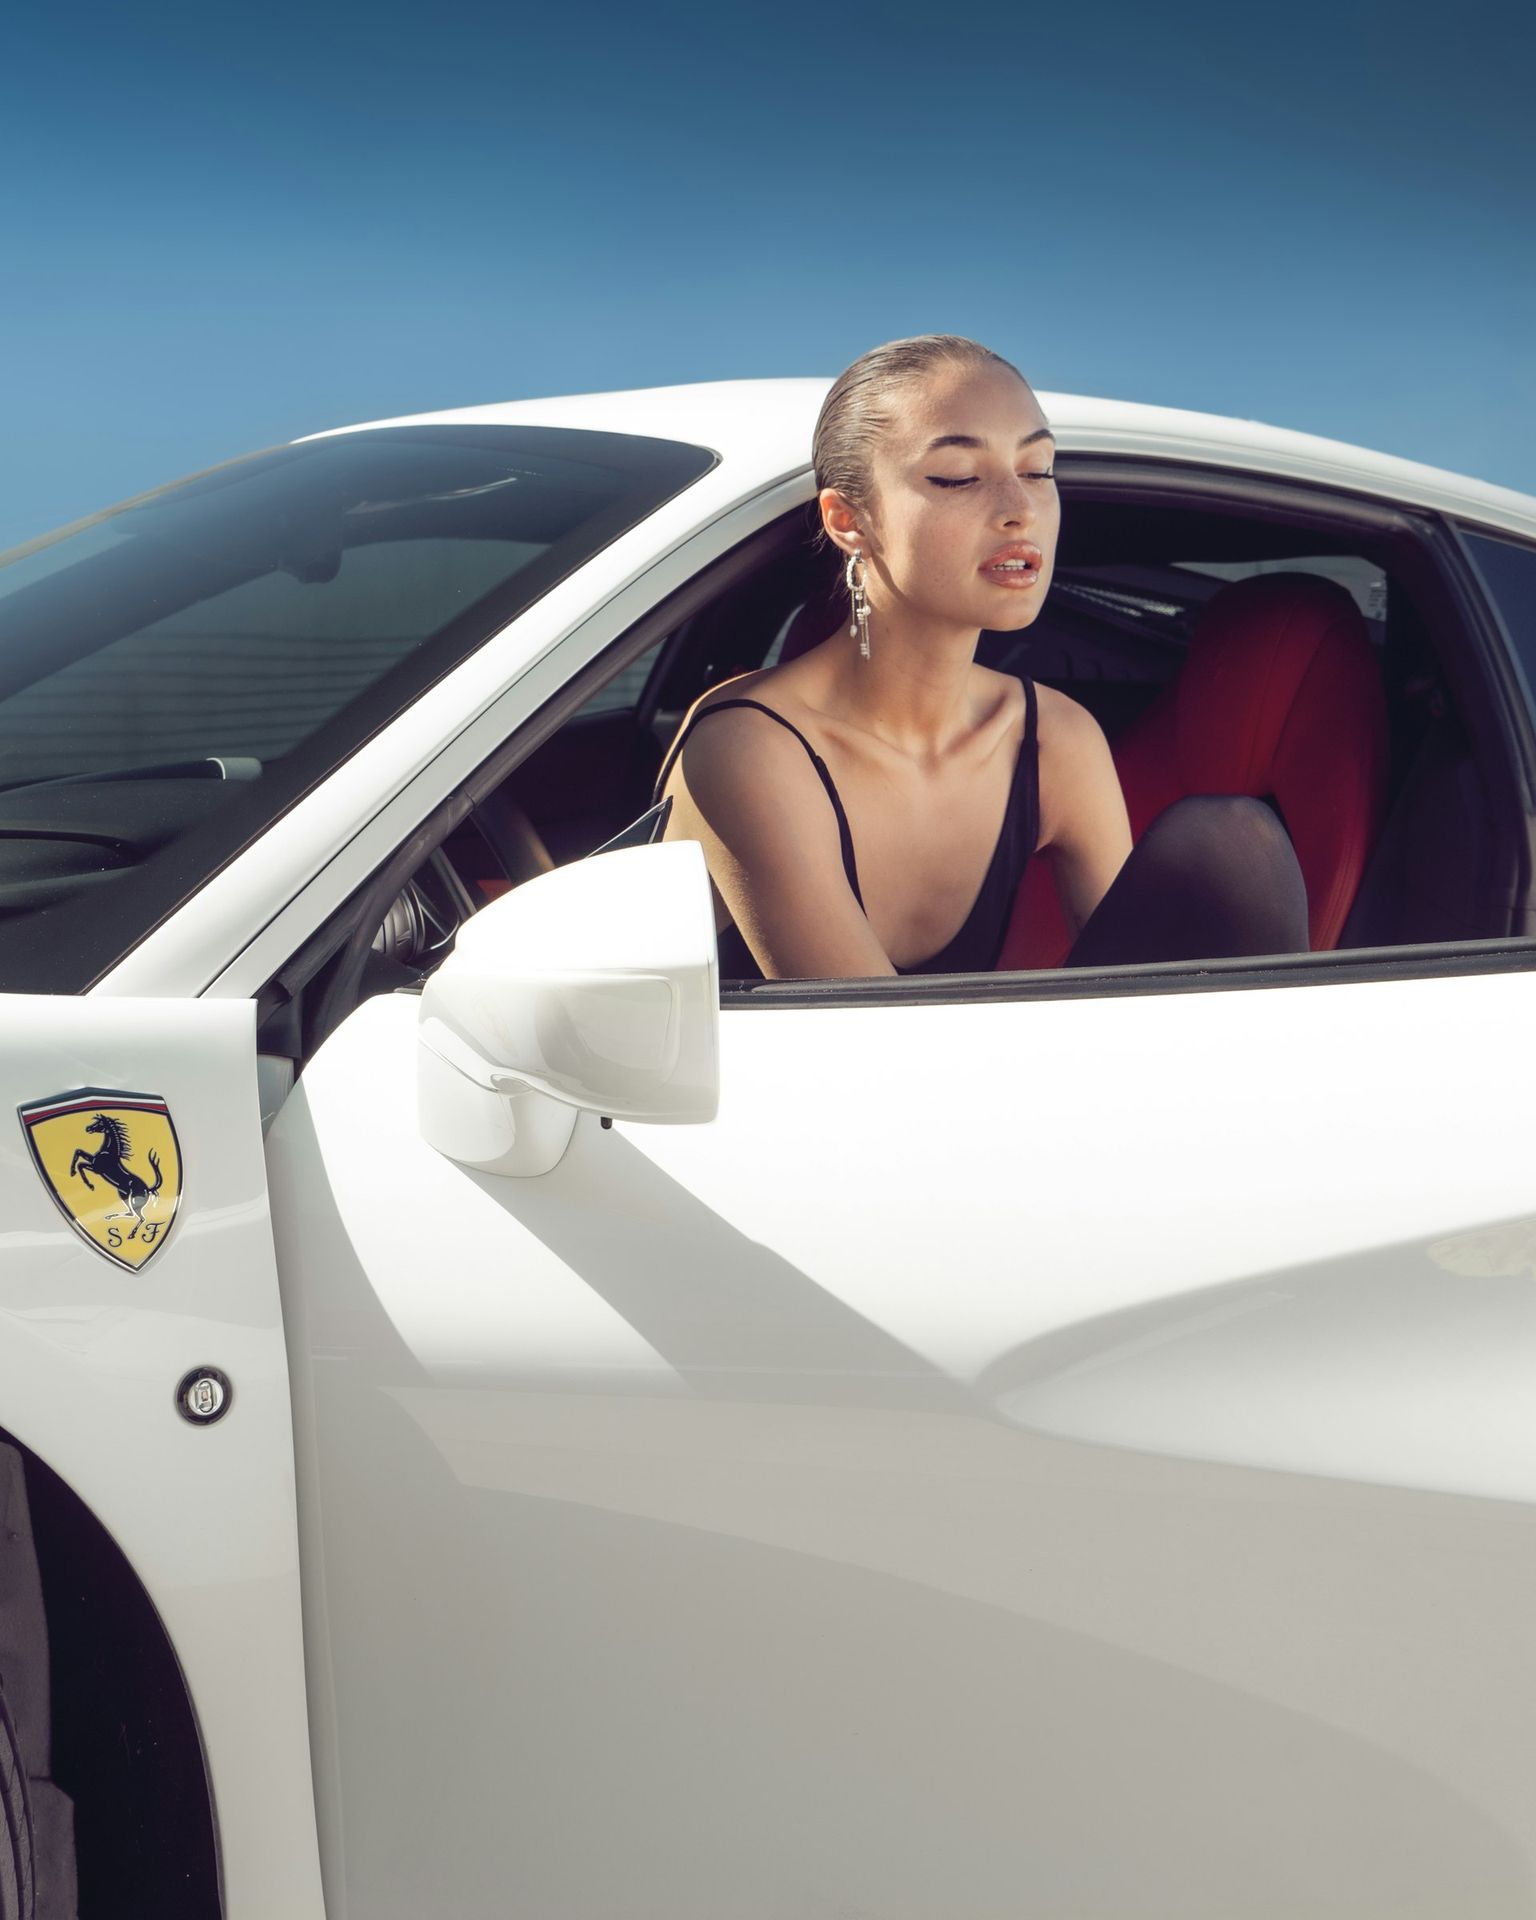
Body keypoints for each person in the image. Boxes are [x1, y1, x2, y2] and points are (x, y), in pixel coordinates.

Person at [655, 333, 1309, 979]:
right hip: (811, 1078)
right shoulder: (747, 747)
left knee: (1228, 845)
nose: (1020, 509)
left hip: (970, 1069)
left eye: (1038, 470)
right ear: (849, 520)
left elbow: (1142, 986)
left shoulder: (1055, 738)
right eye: (958, 477)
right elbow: (870, 1054)